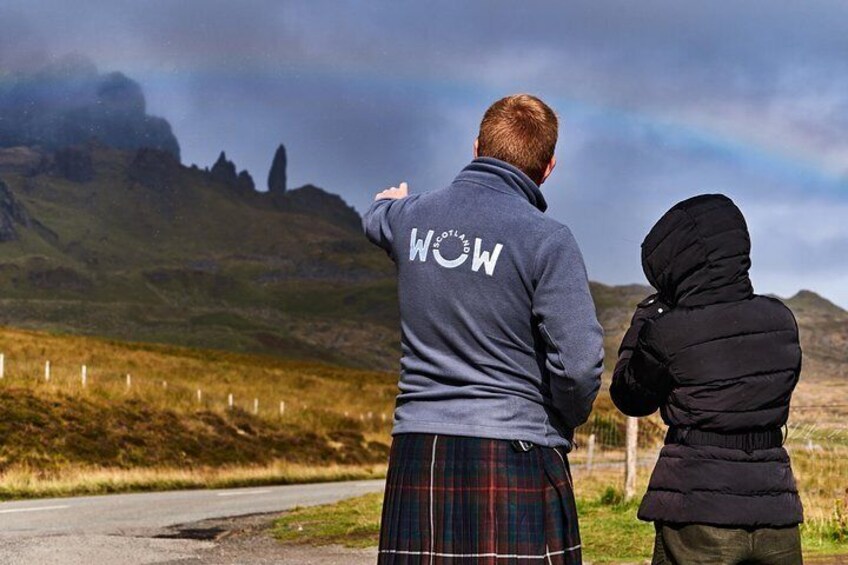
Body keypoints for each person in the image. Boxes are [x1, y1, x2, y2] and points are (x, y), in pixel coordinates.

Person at [362, 94, 604, 564]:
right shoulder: (548, 240)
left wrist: (391, 201)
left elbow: (375, 218)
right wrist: (563, 420)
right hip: (515, 453)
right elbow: (578, 365)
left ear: (476, 147)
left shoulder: (410, 218)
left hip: (419, 450)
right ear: (548, 167)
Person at [610, 194, 803, 565]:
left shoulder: (668, 331)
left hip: (696, 510)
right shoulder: (782, 321)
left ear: (673, 263)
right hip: (776, 510)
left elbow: (629, 396)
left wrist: (645, 320)